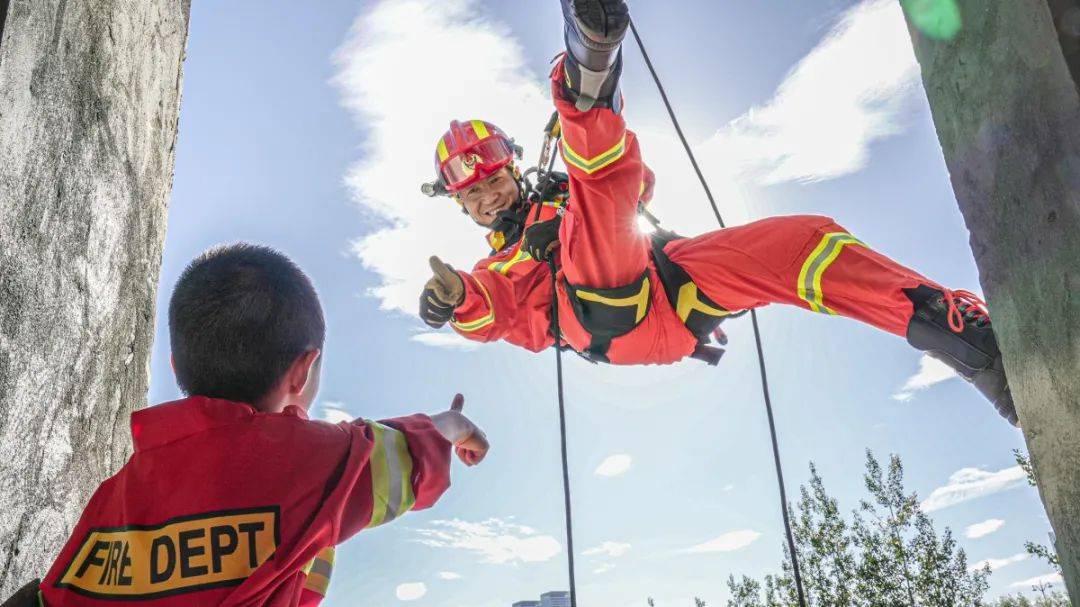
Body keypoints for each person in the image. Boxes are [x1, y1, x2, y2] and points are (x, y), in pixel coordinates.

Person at [417, 0, 1017, 425]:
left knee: (804, 240)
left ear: (510, 169)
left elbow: (637, 187)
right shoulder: (503, 266)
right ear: (462, 208)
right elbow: (493, 309)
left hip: (669, 294)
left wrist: (578, 188)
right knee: (593, 203)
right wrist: (456, 299)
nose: (487, 197)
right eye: (472, 195)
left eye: (491, 179)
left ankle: (959, 333)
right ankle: (589, 75)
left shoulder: (561, 191)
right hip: (604, 319)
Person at [8, 244, 488, 606]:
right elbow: (394, 457)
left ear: (175, 366)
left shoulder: (116, 492)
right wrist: (450, 424)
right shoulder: (299, 462)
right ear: (302, 371)